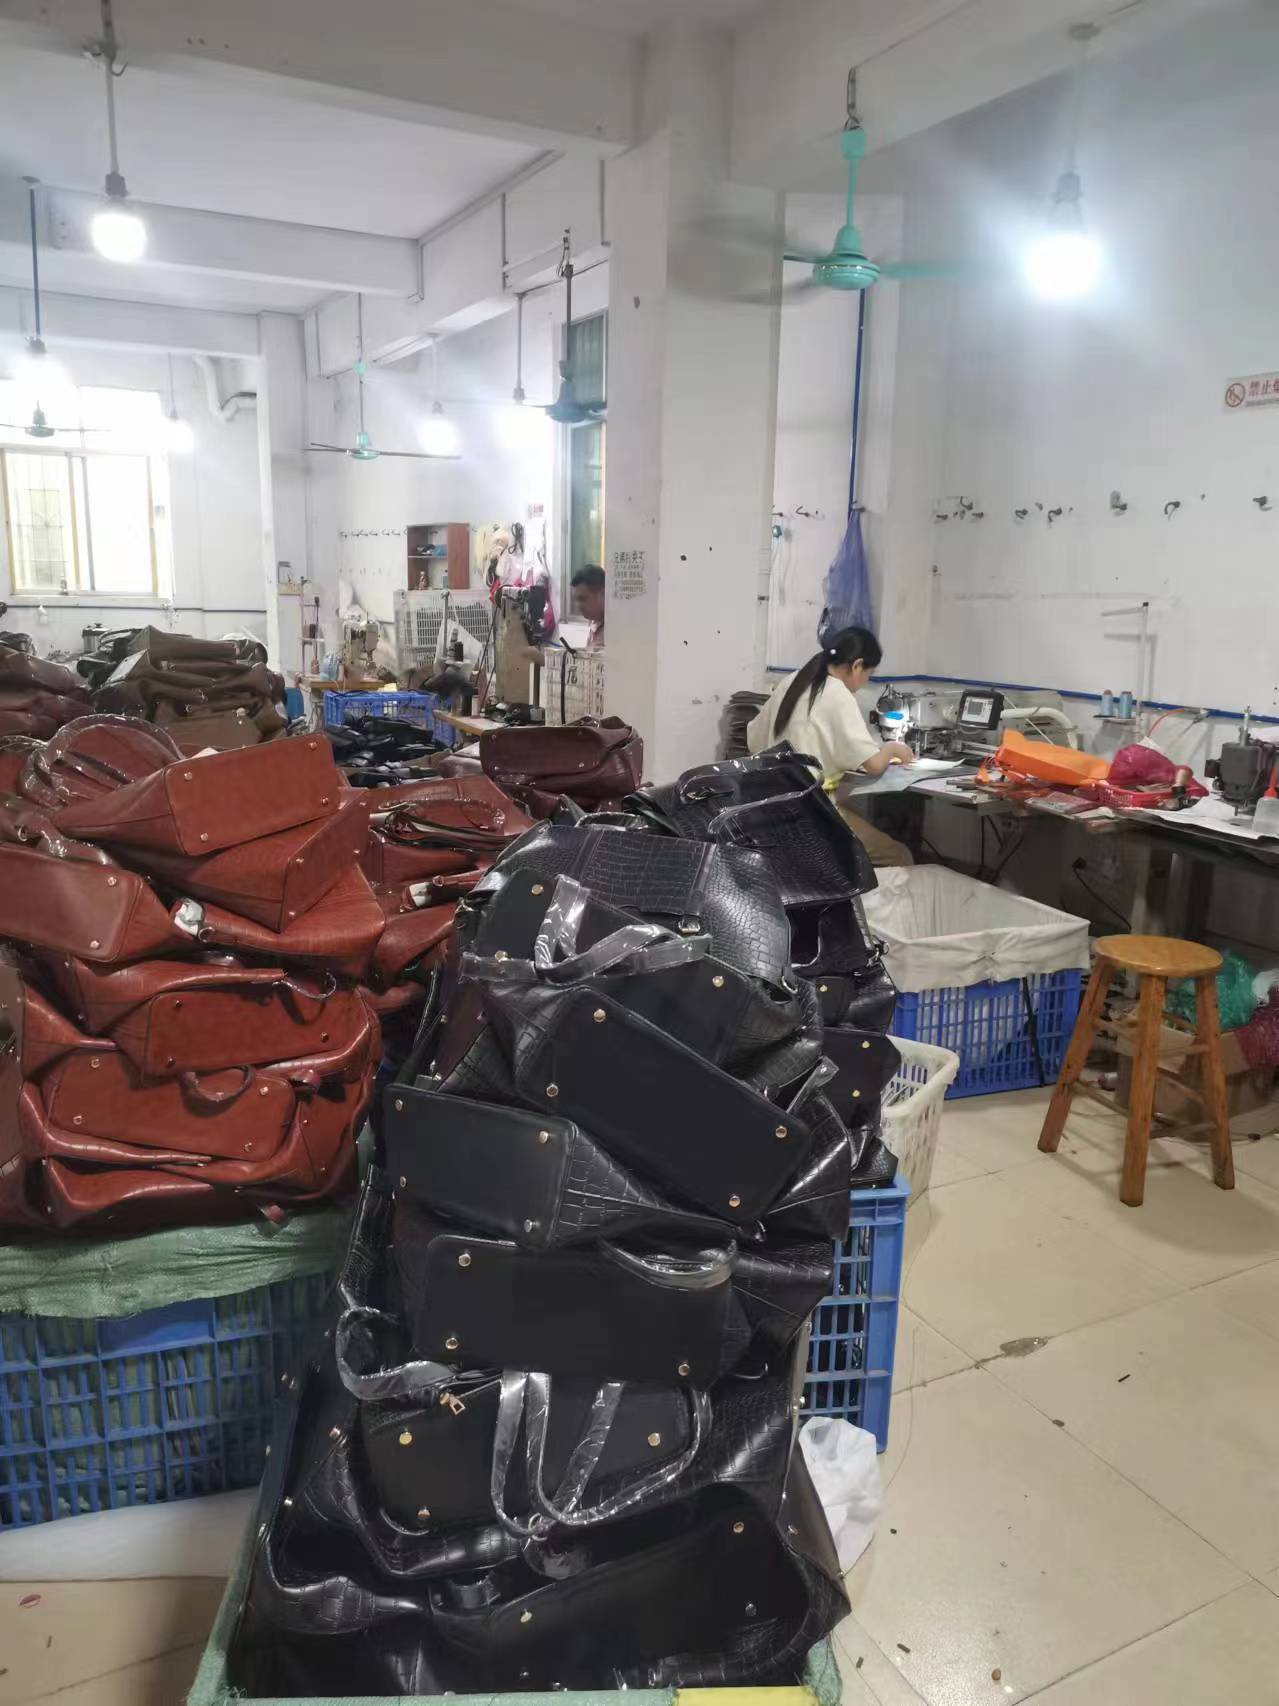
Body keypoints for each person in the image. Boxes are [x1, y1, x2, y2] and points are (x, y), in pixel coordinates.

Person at [747, 624, 915, 867]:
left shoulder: (793, 681)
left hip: (771, 811)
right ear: (857, 665)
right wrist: (894, 748)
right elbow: (874, 765)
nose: (864, 682)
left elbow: (753, 739)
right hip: (811, 816)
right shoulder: (838, 693)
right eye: (868, 674)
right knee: (898, 855)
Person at [571, 564, 605, 650]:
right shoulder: (595, 621)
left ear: (603, 594)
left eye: (583, 598)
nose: (578, 605)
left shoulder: (617, 628)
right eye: (576, 599)